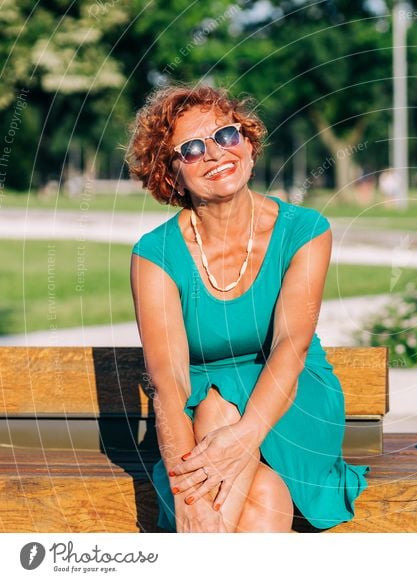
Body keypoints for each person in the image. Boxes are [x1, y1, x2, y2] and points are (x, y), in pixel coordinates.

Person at [126, 83, 369, 533]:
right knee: (262, 494)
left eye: (227, 136)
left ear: (250, 147)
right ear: (172, 174)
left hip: (290, 399)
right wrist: (189, 497)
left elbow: (291, 347)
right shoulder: (155, 254)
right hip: (195, 428)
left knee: (218, 406)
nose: (216, 154)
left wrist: (245, 436)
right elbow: (170, 383)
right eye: (193, 149)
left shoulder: (305, 230)